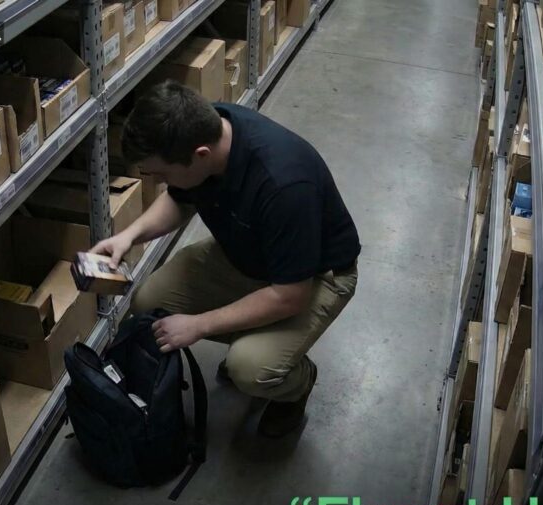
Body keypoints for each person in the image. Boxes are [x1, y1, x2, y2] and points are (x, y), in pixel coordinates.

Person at [91, 81, 361, 438]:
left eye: (162, 174)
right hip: (247, 251)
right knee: (150, 302)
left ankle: (296, 381)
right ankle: (255, 333)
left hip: (315, 277)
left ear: (201, 154)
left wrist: (200, 325)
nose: (158, 183)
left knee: (250, 368)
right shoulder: (203, 128)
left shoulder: (284, 186)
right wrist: (129, 236)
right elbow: (180, 197)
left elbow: (289, 296)